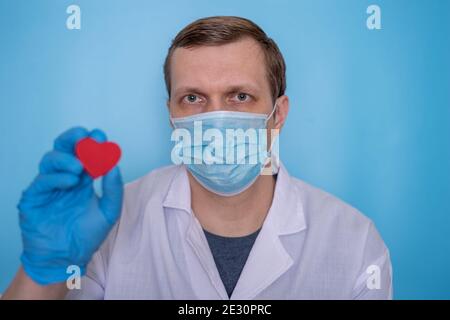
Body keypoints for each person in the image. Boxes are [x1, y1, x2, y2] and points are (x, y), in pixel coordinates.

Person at [2, 16, 392, 300]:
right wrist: (44, 272)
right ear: (171, 115)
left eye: (240, 96)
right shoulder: (106, 226)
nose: (214, 117)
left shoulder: (355, 242)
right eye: (193, 98)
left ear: (279, 114)